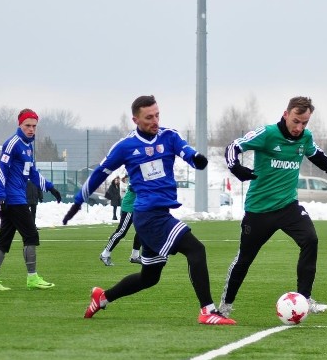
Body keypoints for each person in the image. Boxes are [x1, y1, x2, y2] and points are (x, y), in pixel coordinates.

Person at [62, 95, 235, 325]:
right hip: (148, 216)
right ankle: (208, 311)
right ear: (135, 120)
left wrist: (197, 159)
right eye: (148, 117)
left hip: (159, 215)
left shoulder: (169, 136)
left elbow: (186, 152)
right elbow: (100, 173)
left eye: (157, 115)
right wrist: (77, 201)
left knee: (149, 278)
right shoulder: (125, 147)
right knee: (196, 249)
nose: (155, 121)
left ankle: (102, 297)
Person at [220, 96, 327, 318]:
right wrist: (236, 168)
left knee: (310, 240)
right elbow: (234, 147)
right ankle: (225, 306)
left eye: (305, 123)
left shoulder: (305, 138)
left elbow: (318, 156)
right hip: (259, 210)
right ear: (286, 114)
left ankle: (305, 299)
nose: (300, 127)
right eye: (296, 121)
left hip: (288, 207)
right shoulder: (267, 134)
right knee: (245, 259)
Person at [0, 109, 62, 291]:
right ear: (20, 125)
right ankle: (32, 278)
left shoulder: (28, 146)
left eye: (34, 126)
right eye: (27, 125)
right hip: (13, 199)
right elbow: (1, 169)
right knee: (31, 235)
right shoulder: (13, 143)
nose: (31, 129)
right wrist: (1, 195)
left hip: (16, 197)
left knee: (4, 239)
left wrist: (50, 187)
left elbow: (32, 172)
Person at [99, 178, 142, 266]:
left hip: (139, 208)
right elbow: (132, 188)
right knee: (121, 232)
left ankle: (135, 256)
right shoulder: (136, 174)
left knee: (142, 231)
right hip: (130, 208)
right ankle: (105, 254)